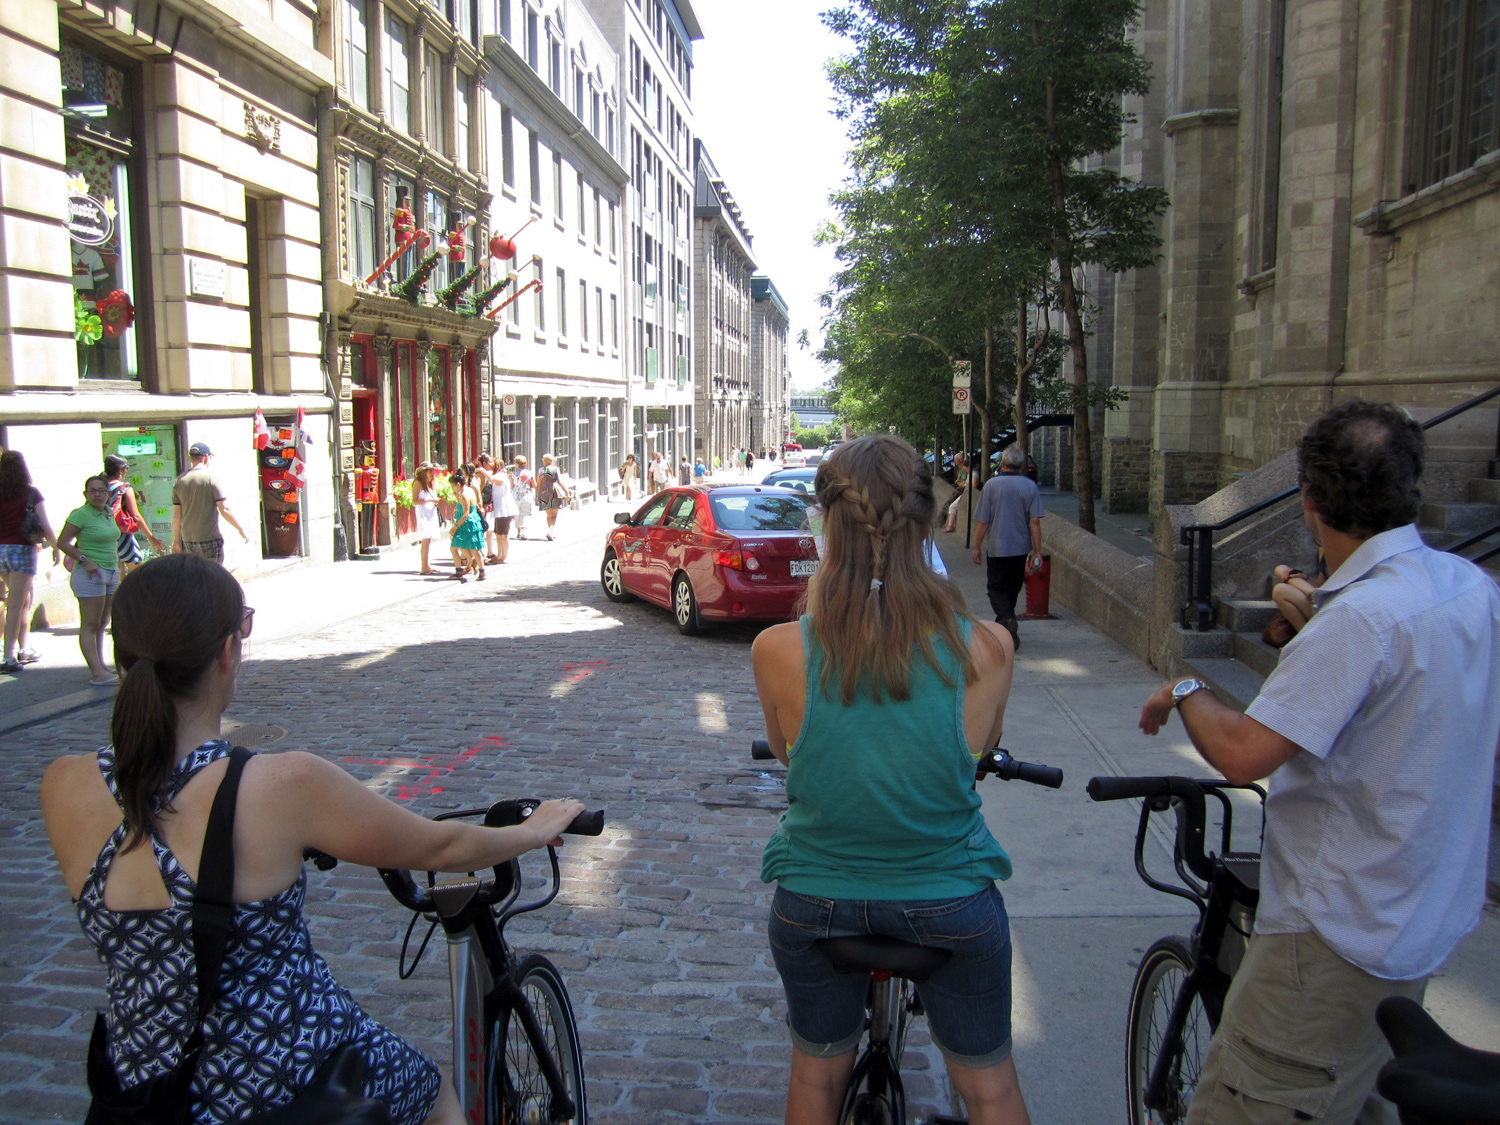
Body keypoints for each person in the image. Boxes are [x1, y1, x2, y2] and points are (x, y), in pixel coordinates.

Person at [39, 553, 583, 1125]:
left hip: (143, 1081)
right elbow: (441, 848)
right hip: (285, 1067)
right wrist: (531, 831)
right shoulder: (279, 786)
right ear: (227, 652)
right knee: (436, 1098)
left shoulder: (64, 784)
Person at [1138, 400, 1500, 1125]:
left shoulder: (1359, 620)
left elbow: (1243, 751)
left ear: (1308, 499)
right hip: (1416, 920)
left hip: (1331, 939)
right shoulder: (1468, 587)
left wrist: (1186, 688)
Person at [752, 434, 1030, 1125]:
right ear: (929, 525)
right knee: (990, 1089)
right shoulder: (989, 646)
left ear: (828, 527)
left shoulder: (778, 648)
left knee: (815, 1079)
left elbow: (792, 757)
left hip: (815, 899)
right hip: (949, 899)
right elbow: (977, 751)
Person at [971, 446, 1043, 653]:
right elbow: (1035, 521)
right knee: (1012, 586)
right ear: (1021, 465)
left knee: (995, 587)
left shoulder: (992, 486)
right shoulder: (1030, 487)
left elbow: (983, 521)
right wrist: (1037, 551)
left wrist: (976, 546)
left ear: (1002, 463)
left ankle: (1006, 619)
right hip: (1020, 547)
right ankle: (1006, 623)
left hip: (997, 546)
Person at [55, 474, 124, 685]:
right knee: (90, 624)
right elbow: (63, 542)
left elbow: (112, 542)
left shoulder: (108, 512)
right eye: (92, 491)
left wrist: (119, 568)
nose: (97, 494)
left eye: (101, 490)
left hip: (111, 571)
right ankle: (96, 672)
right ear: (85, 494)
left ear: (108, 493)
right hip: (90, 573)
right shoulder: (80, 514)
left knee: (103, 622)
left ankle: (101, 665)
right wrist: (85, 559)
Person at [0, 449, 58, 674]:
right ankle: (9, 656)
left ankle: (24, 648)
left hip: (1, 550)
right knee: (16, 604)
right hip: (22, 550)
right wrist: (56, 548)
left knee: (22, 601)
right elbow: (44, 524)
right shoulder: (31, 494)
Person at [172, 443, 249, 562]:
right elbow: (224, 509)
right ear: (206, 457)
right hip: (209, 538)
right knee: (214, 576)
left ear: (191, 458)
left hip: (188, 539)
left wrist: (176, 541)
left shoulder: (179, 480)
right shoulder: (211, 478)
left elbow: (177, 515)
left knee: (195, 576)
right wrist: (240, 529)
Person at [104, 455, 166, 573]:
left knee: (117, 570)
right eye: (126, 468)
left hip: (105, 533)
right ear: (121, 470)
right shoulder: (124, 488)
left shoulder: (100, 487)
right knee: (138, 572)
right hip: (122, 534)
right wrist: (150, 537)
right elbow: (136, 515)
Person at [447, 470, 486, 581]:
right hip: (473, 521)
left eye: (453, 486)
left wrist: (455, 527)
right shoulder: (469, 490)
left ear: (458, 484)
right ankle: (481, 570)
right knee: (471, 547)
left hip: (465, 524)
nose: (452, 489)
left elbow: (465, 513)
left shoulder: (464, 495)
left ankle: (459, 571)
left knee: (454, 548)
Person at [412, 464, 441, 575]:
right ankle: (424, 567)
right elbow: (415, 501)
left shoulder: (431, 484)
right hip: (423, 513)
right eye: (429, 471)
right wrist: (429, 500)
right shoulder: (418, 483)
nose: (432, 473)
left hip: (431, 512)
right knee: (425, 538)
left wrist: (434, 500)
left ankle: (427, 565)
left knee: (429, 540)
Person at [487, 460, 518, 564]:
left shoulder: (501, 475)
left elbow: (492, 479)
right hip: (500, 508)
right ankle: (500, 554)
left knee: (503, 534)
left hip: (504, 509)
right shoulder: (501, 474)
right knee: (498, 533)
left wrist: (480, 470)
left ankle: (503, 556)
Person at [535, 453, 569, 541]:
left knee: (549, 514)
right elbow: (560, 481)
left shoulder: (540, 470)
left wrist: (538, 495)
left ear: (545, 461)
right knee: (554, 515)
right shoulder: (555, 469)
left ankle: (551, 531)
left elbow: (538, 484)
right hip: (553, 491)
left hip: (544, 492)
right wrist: (566, 492)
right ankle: (550, 530)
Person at [942, 452, 975, 534]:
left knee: (951, 505)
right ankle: (948, 524)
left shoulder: (973, 474)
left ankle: (949, 526)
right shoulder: (969, 473)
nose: (964, 468)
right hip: (964, 491)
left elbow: (973, 486)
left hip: (964, 492)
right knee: (951, 505)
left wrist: (962, 484)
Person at [512, 455, 534, 539]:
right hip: (526, 495)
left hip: (516, 496)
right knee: (525, 514)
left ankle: (519, 532)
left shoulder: (513, 473)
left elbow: (512, 485)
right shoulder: (529, 473)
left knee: (517, 514)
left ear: (517, 464)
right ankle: (524, 531)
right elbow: (534, 485)